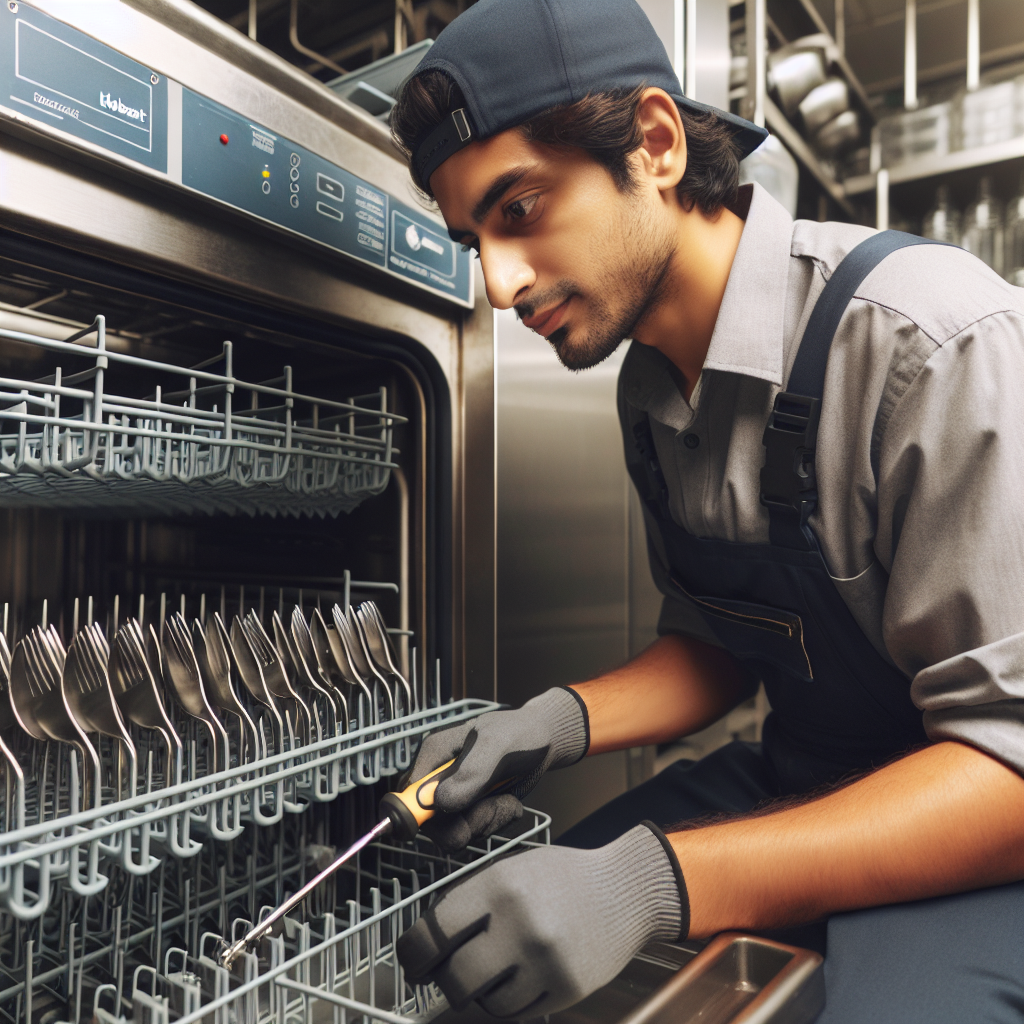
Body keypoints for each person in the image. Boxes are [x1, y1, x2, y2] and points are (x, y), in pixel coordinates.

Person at [387, 1, 1024, 1021]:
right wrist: (552, 723)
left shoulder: (928, 341)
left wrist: (650, 883)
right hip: (807, 773)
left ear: (654, 144)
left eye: (518, 209)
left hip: (982, 819)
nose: (499, 284)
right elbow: (720, 645)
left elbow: (1009, 763)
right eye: (473, 239)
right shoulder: (648, 393)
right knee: (483, 946)